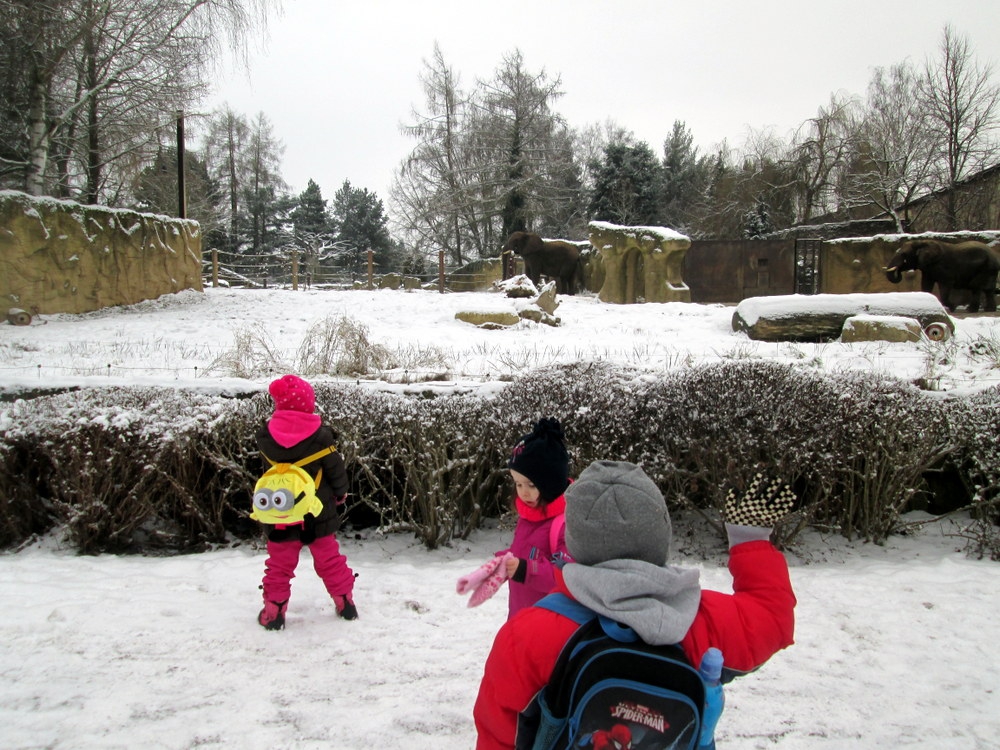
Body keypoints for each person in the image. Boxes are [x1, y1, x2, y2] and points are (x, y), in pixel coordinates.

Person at [473, 460, 797, 749]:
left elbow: (499, 732)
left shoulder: (528, 634)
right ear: (661, 534)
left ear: (574, 539)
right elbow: (771, 617)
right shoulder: (700, 621)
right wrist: (749, 538)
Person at [255, 374, 357, 628]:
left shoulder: (266, 436)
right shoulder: (321, 437)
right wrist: (340, 493)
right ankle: (345, 604)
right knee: (329, 560)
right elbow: (336, 472)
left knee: (279, 566)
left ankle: (274, 613)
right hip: (317, 512)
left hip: (280, 512)